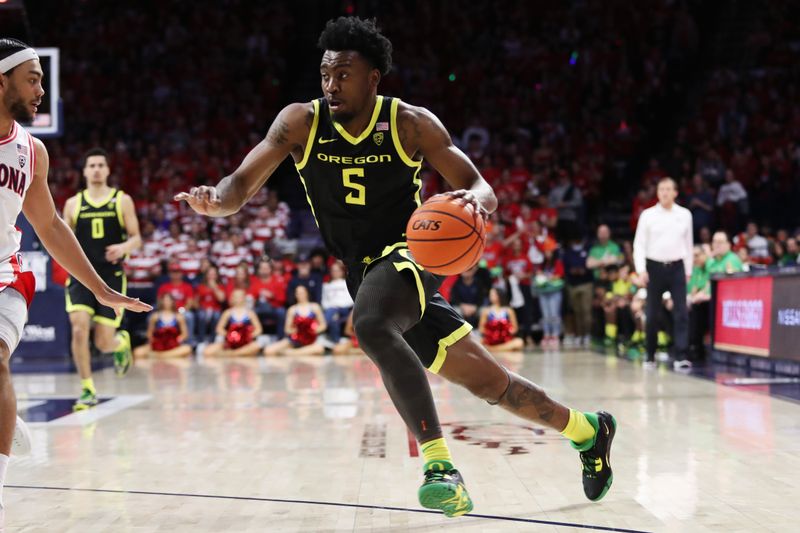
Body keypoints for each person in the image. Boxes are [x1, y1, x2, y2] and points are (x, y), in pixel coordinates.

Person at [175, 17, 616, 516]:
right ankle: (588, 430)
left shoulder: (410, 123)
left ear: (372, 79)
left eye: (343, 74)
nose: (331, 85)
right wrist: (216, 200)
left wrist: (474, 204)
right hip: (361, 270)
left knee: (369, 323)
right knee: (491, 384)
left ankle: (440, 466)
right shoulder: (301, 121)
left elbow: (479, 184)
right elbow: (239, 185)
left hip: (408, 255)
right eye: (325, 74)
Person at [0, 38, 150, 528]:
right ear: (2, 81)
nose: (42, 88)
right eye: (33, 78)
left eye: (43, 78)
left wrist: (103, 288)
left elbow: (49, 227)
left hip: (6, 273)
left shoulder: (31, 151)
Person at [62, 147, 142, 409]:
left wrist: (123, 248)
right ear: (84, 171)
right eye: (92, 165)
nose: (96, 169)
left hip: (111, 276)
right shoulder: (73, 204)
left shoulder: (122, 200)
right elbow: (62, 240)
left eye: (100, 165)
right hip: (81, 277)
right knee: (78, 328)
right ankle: (87, 389)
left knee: (103, 342)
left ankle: (120, 344)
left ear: (107, 170)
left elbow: (136, 238)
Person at [633, 177, 693, 369]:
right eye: (661, 189)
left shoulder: (685, 214)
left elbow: (688, 244)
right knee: (652, 313)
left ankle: (681, 355)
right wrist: (641, 269)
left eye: (668, 189)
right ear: (657, 193)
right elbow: (639, 244)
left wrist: (688, 270)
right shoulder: (648, 215)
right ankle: (650, 355)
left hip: (677, 267)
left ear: (675, 192)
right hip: (654, 267)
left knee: (681, 312)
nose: (665, 193)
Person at [264, 285, 327, 356]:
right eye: (298, 293)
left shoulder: (315, 307)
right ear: (295, 295)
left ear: (307, 293)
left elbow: (323, 325)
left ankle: (292, 353)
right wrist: (296, 331)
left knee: (319, 349)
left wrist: (313, 330)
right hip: (295, 339)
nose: (300, 295)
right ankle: (298, 352)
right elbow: (287, 329)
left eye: (302, 292)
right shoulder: (292, 309)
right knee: (269, 350)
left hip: (311, 340)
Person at [203, 288, 263, 357]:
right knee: (207, 351)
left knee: (256, 346)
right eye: (235, 296)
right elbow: (219, 328)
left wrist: (248, 336)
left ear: (244, 298)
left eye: (239, 296)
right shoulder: (228, 312)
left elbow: (259, 329)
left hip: (246, 342)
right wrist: (229, 336)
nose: (237, 299)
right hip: (229, 342)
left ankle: (233, 353)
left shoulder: (250, 313)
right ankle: (238, 353)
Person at [133, 293, 192, 359]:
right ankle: (166, 355)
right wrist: (156, 341)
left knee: (187, 349)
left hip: (173, 345)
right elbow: (149, 333)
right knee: (137, 352)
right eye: (165, 300)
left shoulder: (178, 316)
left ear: (172, 302)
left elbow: (185, 334)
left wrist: (176, 340)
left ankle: (160, 356)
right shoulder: (155, 316)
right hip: (158, 344)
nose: (166, 303)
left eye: (168, 300)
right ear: (161, 302)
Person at [478, 288, 524, 352]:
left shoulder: (508, 310)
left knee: (519, 342)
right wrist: (491, 333)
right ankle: (502, 349)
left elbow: (515, 328)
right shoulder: (486, 311)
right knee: (478, 342)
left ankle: (493, 349)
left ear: (500, 295)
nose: (491, 297)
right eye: (490, 295)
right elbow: (481, 329)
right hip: (490, 340)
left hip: (505, 340)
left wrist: (505, 332)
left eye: (494, 295)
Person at [321, 261, 353, 344]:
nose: (335, 273)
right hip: (331, 309)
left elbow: (351, 299)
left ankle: (322, 330)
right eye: (333, 270)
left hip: (345, 309)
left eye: (337, 270)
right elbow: (324, 301)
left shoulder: (347, 283)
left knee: (331, 314)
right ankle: (336, 341)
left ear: (342, 271)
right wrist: (333, 307)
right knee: (333, 318)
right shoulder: (326, 285)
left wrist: (338, 306)